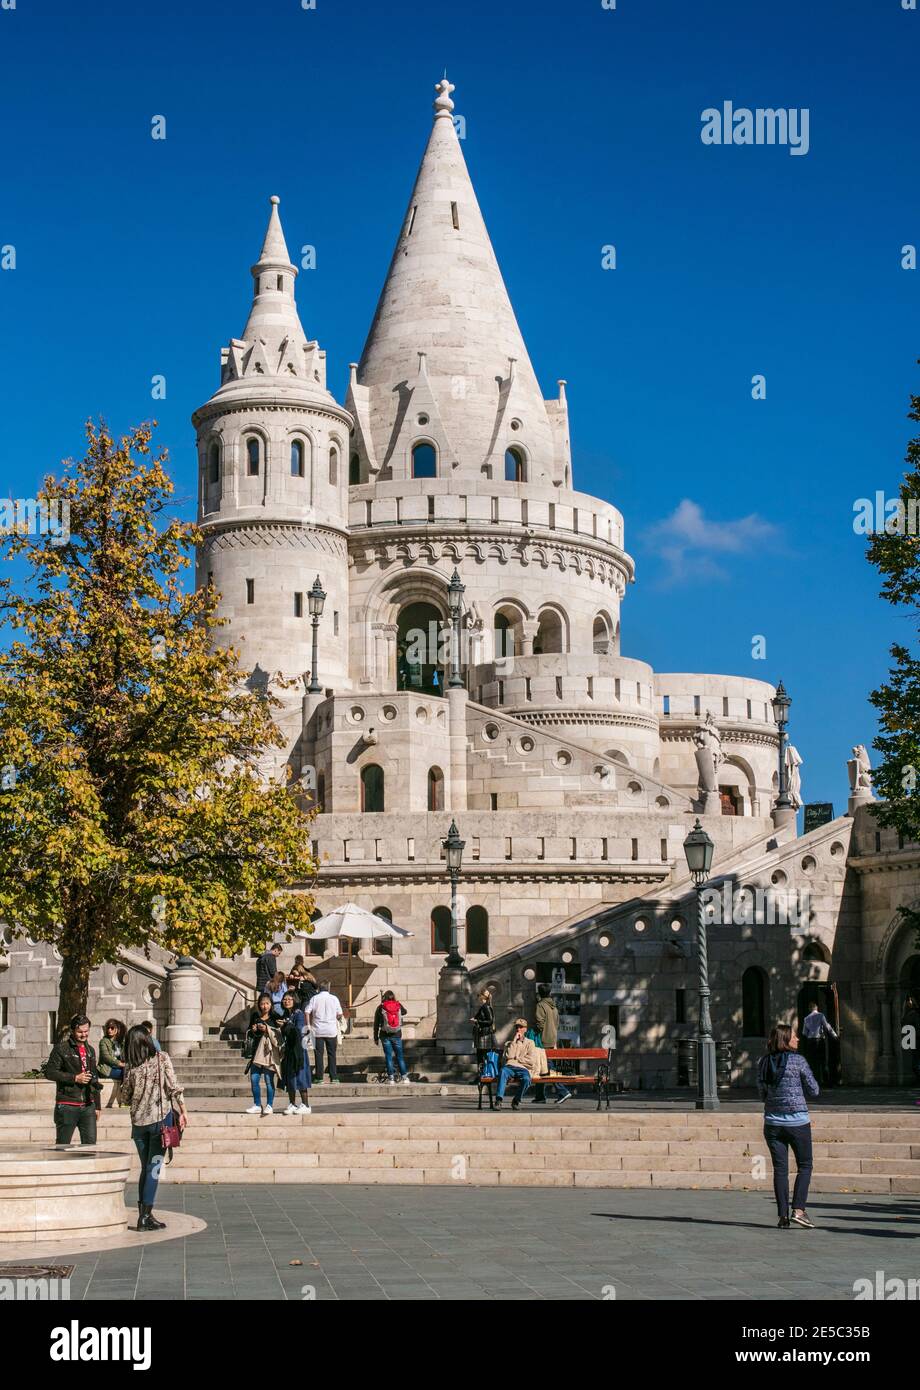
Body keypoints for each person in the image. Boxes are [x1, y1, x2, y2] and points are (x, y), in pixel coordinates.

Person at [120, 1023, 188, 1232]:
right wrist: (184, 1110)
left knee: (146, 1168)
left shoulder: (131, 1067)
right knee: (154, 1169)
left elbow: (124, 1097)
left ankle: (145, 1214)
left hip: (139, 1125)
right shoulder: (162, 1058)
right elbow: (174, 1087)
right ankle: (145, 1216)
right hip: (160, 1123)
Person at [758, 1021, 820, 1229]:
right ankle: (799, 1210)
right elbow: (814, 1089)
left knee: (780, 1169)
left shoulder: (764, 1062)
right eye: (794, 1036)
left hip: (772, 1123)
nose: (798, 1038)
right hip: (798, 1121)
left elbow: (761, 1093)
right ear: (786, 1040)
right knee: (805, 1165)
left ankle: (783, 1215)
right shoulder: (798, 1061)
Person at [44, 1014, 102, 1146]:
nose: (84, 1034)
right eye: (80, 1032)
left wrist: (97, 1105)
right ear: (72, 1031)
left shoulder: (91, 1050)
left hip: (88, 1106)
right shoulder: (61, 1048)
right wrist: (75, 1078)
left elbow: (94, 1079)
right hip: (67, 1105)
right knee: (62, 1146)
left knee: (90, 1147)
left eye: (86, 1031)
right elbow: (50, 1072)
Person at [531, 984, 571, 1106]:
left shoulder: (540, 1005)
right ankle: (540, 1096)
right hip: (552, 1039)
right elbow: (557, 1023)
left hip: (542, 1040)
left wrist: (536, 1033)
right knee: (540, 1066)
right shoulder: (554, 1007)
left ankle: (563, 1091)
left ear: (539, 993)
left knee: (548, 1067)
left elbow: (540, 1023)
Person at [245, 994, 281, 1114]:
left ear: (271, 1004)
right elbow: (249, 1033)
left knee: (268, 1079)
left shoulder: (276, 1017)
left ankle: (269, 1105)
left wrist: (267, 1029)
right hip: (256, 1052)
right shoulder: (255, 1016)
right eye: (262, 1003)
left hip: (268, 1053)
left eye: (267, 1003)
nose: (264, 1006)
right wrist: (254, 1030)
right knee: (254, 1079)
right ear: (259, 1005)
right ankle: (257, 1104)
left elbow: (278, 1036)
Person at [494, 1018, 541, 1111]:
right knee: (503, 1072)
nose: (518, 1029)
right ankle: (498, 1100)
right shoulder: (509, 1043)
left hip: (523, 1068)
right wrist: (515, 1041)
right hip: (510, 1067)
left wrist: (517, 1059)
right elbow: (509, 1056)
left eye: (521, 1027)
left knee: (527, 1079)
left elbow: (531, 1060)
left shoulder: (530, 1043)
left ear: (525, 1029)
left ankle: (516, 1100)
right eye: (517, 1027)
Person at [278, 990, 312, 1114]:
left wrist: (286, 1025)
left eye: (289, 999)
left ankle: (306, 1104)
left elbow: (299, 1031)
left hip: (298, 1051)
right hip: (289, 1050)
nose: (286, 1001)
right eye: (284, 999)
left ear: (295, 1000)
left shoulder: (299, 1014)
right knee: (290, 1077)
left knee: (300, 1076)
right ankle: (292, 1103)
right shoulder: (286, 1015)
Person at [306, 980, 344, 1084]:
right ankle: (334, 1077)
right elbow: (340, 1014)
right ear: (329, 987)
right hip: (331, 1030)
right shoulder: (334, 998)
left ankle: (319, 1077)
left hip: (318, 1030)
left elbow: (307, 1011)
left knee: (318, 1054)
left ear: (319, 988)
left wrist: (308, 1025)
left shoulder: (314, 998)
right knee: (332, 1054)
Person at [374, 990, 410, 1084]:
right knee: (400, 1057)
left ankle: (391, 1078)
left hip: (384, 1035)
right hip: (397, 1034)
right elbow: (405, 1012)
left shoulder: (381, 1007)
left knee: (388, 1057)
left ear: (384, 997)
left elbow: (376, 1023)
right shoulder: (398, 1005)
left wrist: (376, 1037)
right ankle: (405, 1077)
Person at [800, 1002, 837, 1086]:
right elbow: (827, 1027)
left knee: (812, 1061)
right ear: (816, 1007)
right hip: (819, 1040)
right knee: (822, 1060)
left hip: (810, 1041)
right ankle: (825, 1081)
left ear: (809, 1009)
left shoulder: (806, 1018)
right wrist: (834, 1035)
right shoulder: (821, 1015)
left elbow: (804, 1033)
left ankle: (813, 1081)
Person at [98, 1018, 127, 1108]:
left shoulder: (120, 1042)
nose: (109, 1030)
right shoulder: (104, 1041)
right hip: (106, 1069)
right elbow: (106, 1057)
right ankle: (123, 1100)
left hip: (117, 1068)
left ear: (117, 1029)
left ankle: (125, 1097)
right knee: (125, 1073)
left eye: (112, 1028)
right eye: (108, 1028)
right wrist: (120, 1064)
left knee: (129, 1071)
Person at [471, 988, 496, 1069]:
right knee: (481, 1056)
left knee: (483, 1056)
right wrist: (475, 1019)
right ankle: (480, 1076)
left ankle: (483, 1077)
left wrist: (477, 1021)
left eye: (479, 996)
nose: (478, 998)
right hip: (482, 1034)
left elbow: (490, 1021)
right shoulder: (483, 1007)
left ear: (482, 997)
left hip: (485, 1035)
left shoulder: (486, 1007)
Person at [902, 995, 920, 1097]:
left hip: (914, 1038)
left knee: (916, 1060)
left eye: (909, 1001)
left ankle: (917, 1079)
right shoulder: (909, 1013)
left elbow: (915, 1026)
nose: (908, 1003)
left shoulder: (913, 1013)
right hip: (911, 1038)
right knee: (914, 1059)